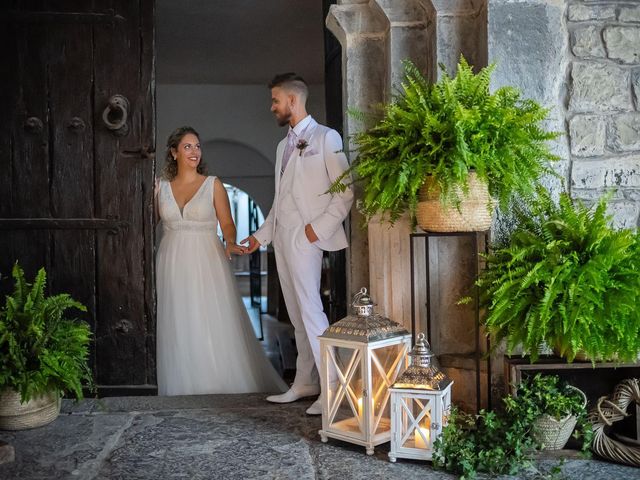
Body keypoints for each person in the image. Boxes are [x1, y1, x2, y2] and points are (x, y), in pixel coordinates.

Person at [241, 73, 354, 415]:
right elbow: (281, 198)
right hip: (283, 237)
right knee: (295, 313)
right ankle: (305, 381)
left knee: (310, 310)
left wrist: (315, 230)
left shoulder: (325, 137)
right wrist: (260, 237)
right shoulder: (282, 146)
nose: (272, 106)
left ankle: (332, 387)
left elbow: (346, 190)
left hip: (307, 236)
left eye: (275, 100)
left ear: (292, 100)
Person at [155, 126, 287, 396]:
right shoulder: (160, 187)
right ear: (174, 152)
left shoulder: (212, 184)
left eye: (197, 146)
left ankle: (216, 381)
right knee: (178, 319)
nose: (194, 152)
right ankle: (182, 384)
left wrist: (230, 241)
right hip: (171, 258)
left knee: (208, 317)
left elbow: (227, 223)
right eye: (188, 146)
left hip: (206, 257)